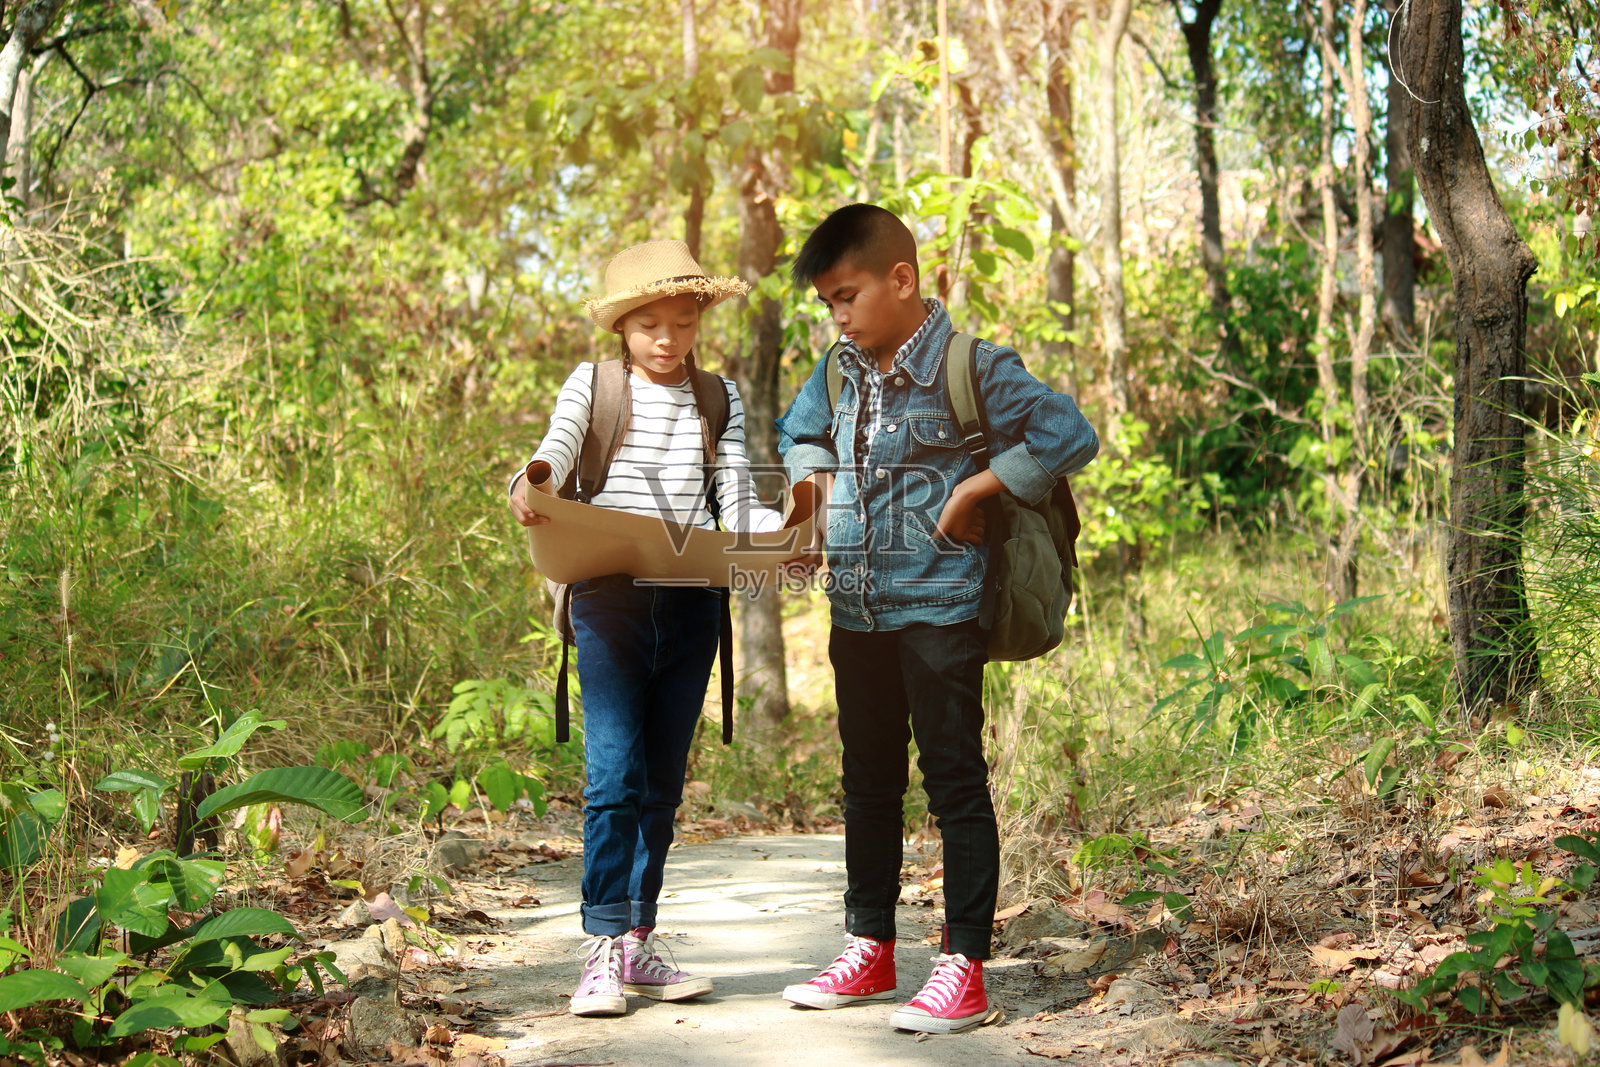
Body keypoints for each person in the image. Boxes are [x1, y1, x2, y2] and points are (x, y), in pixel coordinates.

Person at [775, 204, 1098, 1034]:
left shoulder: (972, 365)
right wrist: (811, 500)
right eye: (827, 305)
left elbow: (1068, 432)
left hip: (943, 607)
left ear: (902, 279)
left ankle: (963, 965)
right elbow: (800, 431)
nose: (839, 316)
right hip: (858, 606)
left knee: (953, 780)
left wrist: (980, 486)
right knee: (867, 783)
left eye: (847, 296)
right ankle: (870, 945)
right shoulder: (839, 371)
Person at [508, 240, 785, 1017]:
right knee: (614, 775)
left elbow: (736, 491)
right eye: (650, 324)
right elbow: (554, 451)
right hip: (609, 599)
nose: (668, 338)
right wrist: (530, 485)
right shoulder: (593, 385)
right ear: (622, 328)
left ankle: (638, 939)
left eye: (684, 320)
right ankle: (598, 948)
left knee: (661, 783)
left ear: (701, 320)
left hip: (693, 597)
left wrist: (777, 535)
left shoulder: (719, 396)